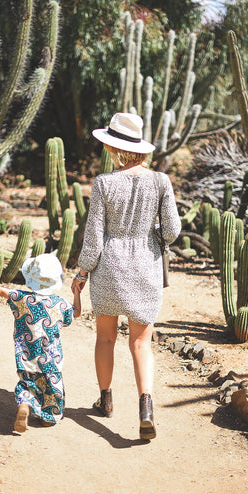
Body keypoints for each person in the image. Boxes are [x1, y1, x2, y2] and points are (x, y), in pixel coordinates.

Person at [71, 112, 181, 440]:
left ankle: (105, 400)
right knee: (141, 342)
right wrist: (151, 236)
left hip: (109, 270)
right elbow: (173, 230)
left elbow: (94, 237)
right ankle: (145, 406)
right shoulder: (161, 181)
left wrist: (82, 272)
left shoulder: (104, 183)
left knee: (105, 338)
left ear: (113, 148)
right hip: (145, 269)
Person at [0, 253, 81, 433]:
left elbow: (3, 291)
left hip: (26, 355)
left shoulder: (22, 299)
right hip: (51, 359)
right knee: (53, 387)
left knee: (27, 383)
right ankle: (48, 418)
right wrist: (76, 293)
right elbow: (76, 313)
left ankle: (25, 404)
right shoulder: (61, 304)